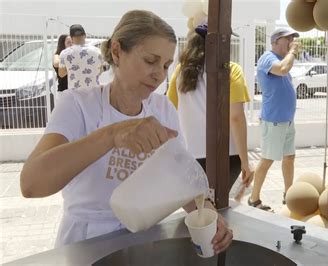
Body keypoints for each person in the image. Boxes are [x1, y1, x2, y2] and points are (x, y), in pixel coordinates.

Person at [20, 10, 233, 252]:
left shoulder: (162, 109)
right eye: (150, 61)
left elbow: (181, 179)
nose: (160, 75)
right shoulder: (78, 105)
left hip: (146, 239)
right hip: (87, 244)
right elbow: (31, 184)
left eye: (166, 66)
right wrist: (112, 135)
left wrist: (210, 218)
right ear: (117, 51)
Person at [166, 23, 253, 190]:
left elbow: (171, 109)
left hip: (192, 153)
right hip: (226, 154)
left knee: (201, 206)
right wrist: (245, 161)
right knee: (219, 206)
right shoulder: (231, 70)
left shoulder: (180, 71)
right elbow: (236, 117)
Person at [248, 28, 301, 211]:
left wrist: (291, 53)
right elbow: (283, 69)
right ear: (276, 41)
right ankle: (254, 199)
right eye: (288, 39)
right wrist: (293, 52)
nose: (292, 42)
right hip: (274, 121)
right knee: (267, 159)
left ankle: (289, 195)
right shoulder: (267, 58)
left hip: (286, 120)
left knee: (289, 157)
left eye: (293, 39)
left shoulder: (282, 59)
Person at [58, 24, 103, 89]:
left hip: (75, 95)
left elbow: (61, 74)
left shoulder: (65, 53)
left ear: (71, 37)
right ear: (85, 35)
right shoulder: (98, 51)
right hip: (94, 93)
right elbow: (100, 71)